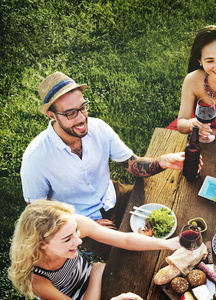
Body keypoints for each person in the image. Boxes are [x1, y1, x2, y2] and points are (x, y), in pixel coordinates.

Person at [21, 71, 186, 229]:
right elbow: (37, 214)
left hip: (113, 196)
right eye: (71, 113)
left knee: (169, 208)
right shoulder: (35, 158)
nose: (81, 118)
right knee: (131, 255)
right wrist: (78, 223)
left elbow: (133, 166)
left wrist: (162, 161)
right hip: (78, 222)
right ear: (52, 115)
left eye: (83, 107)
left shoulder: (98, 127)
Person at [8, 200, 180, 300]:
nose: (79, 239)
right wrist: (96, 273)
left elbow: (125, 239)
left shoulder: (69, 224)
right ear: (40, 245)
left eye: (75, 230)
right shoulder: (38, 280)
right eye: (67, 239)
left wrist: (169, 244)